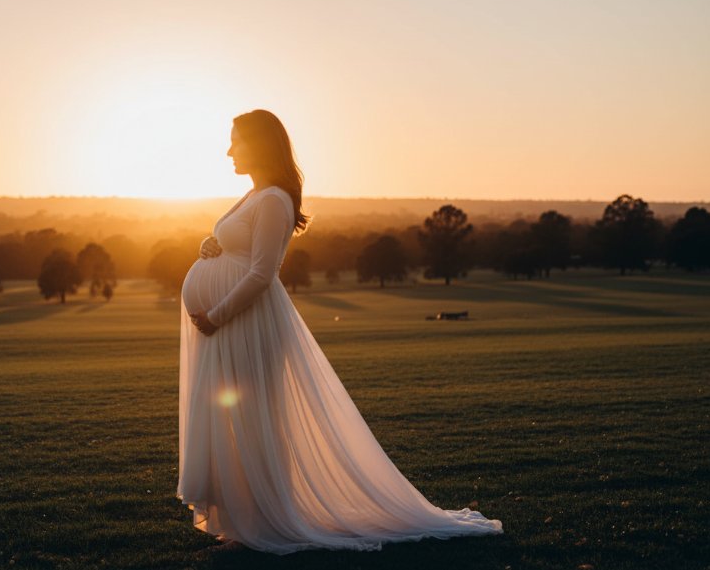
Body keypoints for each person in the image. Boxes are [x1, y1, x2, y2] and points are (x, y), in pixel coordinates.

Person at [176, 109, 503, 555]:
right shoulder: (254, 195)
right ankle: (244, 517)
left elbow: (262, 273)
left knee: (256, 421)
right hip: (229, 326)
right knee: (238, 421)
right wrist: (209, 248)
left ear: (261, 144)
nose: (229, 150)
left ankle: (270, 518)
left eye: (236, 140)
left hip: (244, 325)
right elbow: (239, 249)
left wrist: (216, 314)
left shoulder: (273, 198)